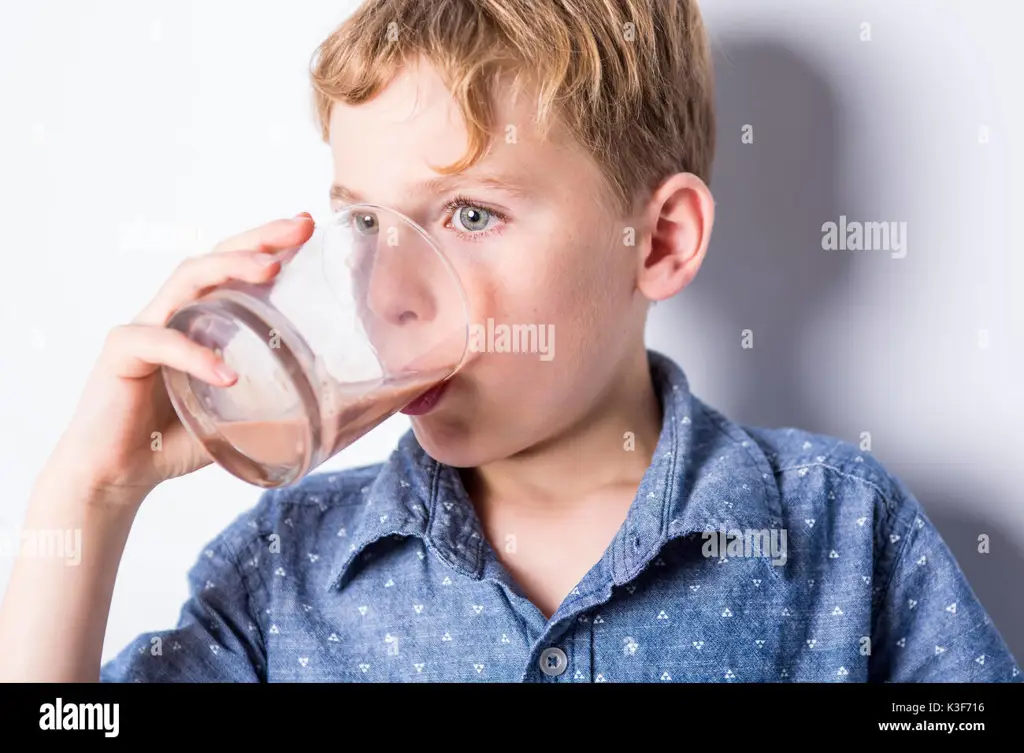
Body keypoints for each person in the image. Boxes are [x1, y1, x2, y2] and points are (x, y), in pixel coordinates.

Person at [0, 0, 1018, 683]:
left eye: (470, 216)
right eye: (363, 223)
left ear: (656, 241)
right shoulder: (286, 565)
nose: (387, 290)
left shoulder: (839, 530)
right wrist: (88, 499)